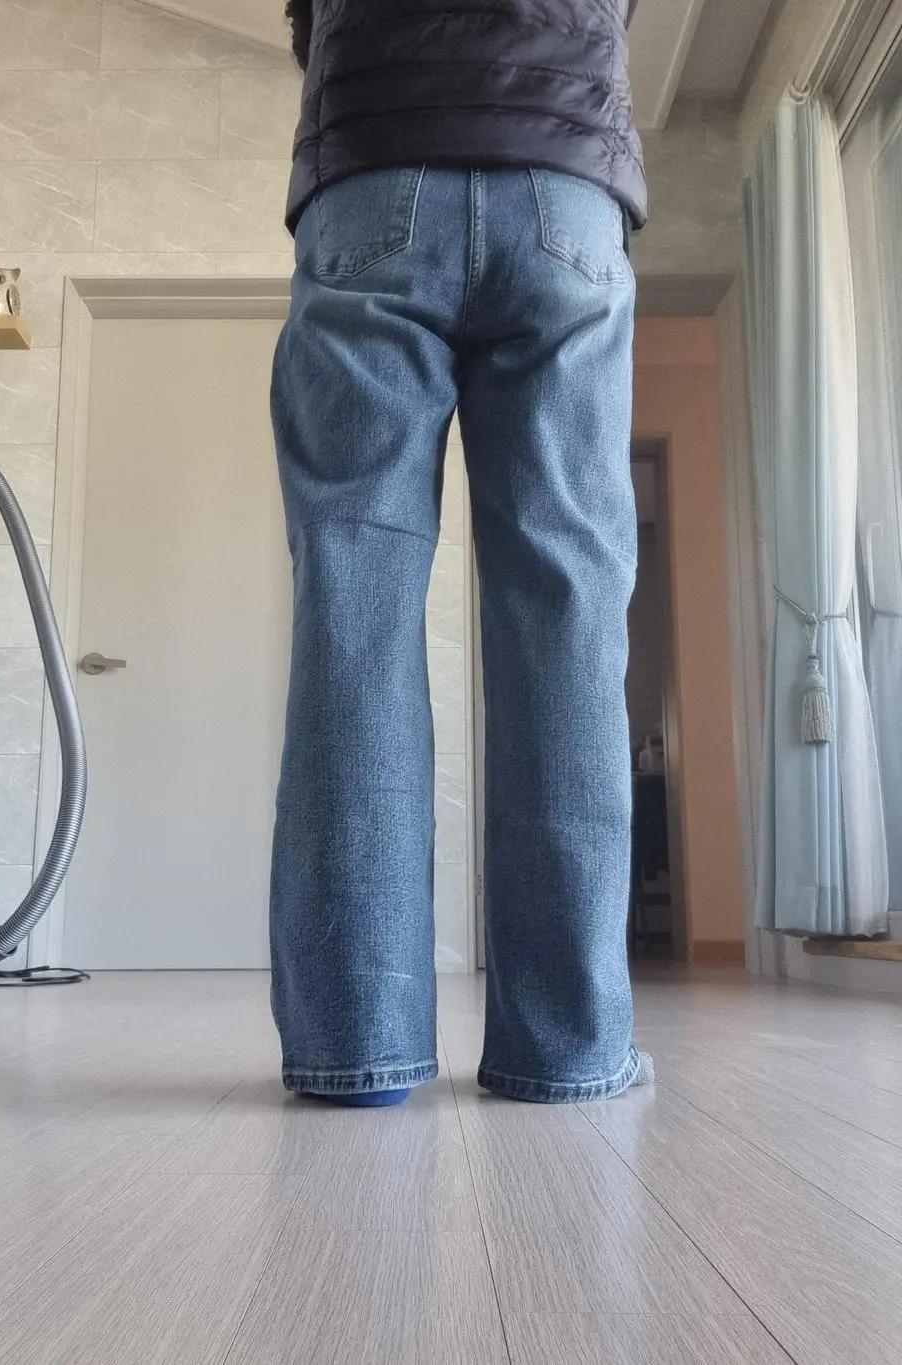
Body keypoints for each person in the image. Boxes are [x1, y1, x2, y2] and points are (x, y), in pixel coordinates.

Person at [269, 0, 654, 1107]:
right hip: (565, 186)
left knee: (354, 597)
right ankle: (569, 1046)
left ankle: (355, 1046)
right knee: (567, 605)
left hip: (371, 171)